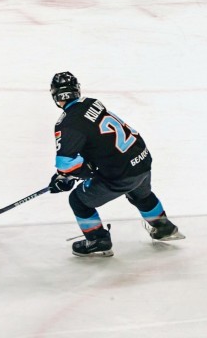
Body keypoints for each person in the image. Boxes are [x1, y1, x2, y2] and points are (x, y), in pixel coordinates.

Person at [47, 71, 183, 258]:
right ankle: (163, 227)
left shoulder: (67, 124)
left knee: (78, 201)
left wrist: (66, 177)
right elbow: (98, 139)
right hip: (141, 159)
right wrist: (83, 169)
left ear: (56, 96)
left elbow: (66, 165)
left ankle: (97, 240)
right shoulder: (92, 103)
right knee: (140, 194)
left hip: (121, 173)